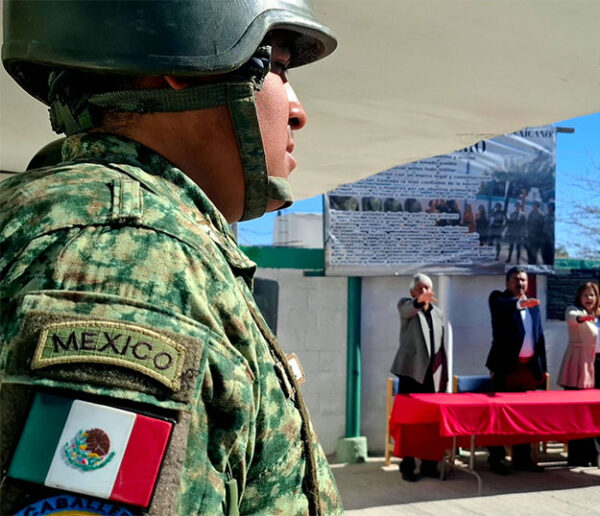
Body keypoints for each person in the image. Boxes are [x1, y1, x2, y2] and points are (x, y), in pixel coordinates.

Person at [0, 1, 341, 514]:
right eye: (279, 67)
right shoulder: (126, 258)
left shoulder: (68, 219)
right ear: (188, 65)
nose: (297, 111)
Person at [485, 267, 548, 474]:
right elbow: (501, 308)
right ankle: (496, 458)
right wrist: (519, 304)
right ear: (507, 283)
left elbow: (539, 337)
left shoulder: (533, 305)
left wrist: (543, 368)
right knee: (500, 415)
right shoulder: (498, 299)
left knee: (524, 416)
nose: (520, 283)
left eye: (523, 280)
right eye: (515, 280)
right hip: (506, 368)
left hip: (528, 368)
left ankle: (522, 458)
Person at [390, 273, 448, 482]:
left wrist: (443, 374)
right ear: (412, 292)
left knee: (430, 422)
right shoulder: (406, 305)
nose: (424, 292)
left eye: (427, 288)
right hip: (411, 372)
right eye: (419, 288)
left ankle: (429, 464)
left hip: (432, 375)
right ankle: (407, 465)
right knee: (411, 422)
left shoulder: (438, 313)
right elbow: (408, 309)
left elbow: (440, 345)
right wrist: (418, 302)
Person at [557, 282, 600, 467]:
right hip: (580, 366)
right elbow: (572, 318)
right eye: (585, 295)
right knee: (578, 412)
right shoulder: (574, 311)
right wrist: (583, 319)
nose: (589, 298)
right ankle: (578, 456)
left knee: (596, 412)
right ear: (579, 297)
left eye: (592, 295)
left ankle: (596, 455)